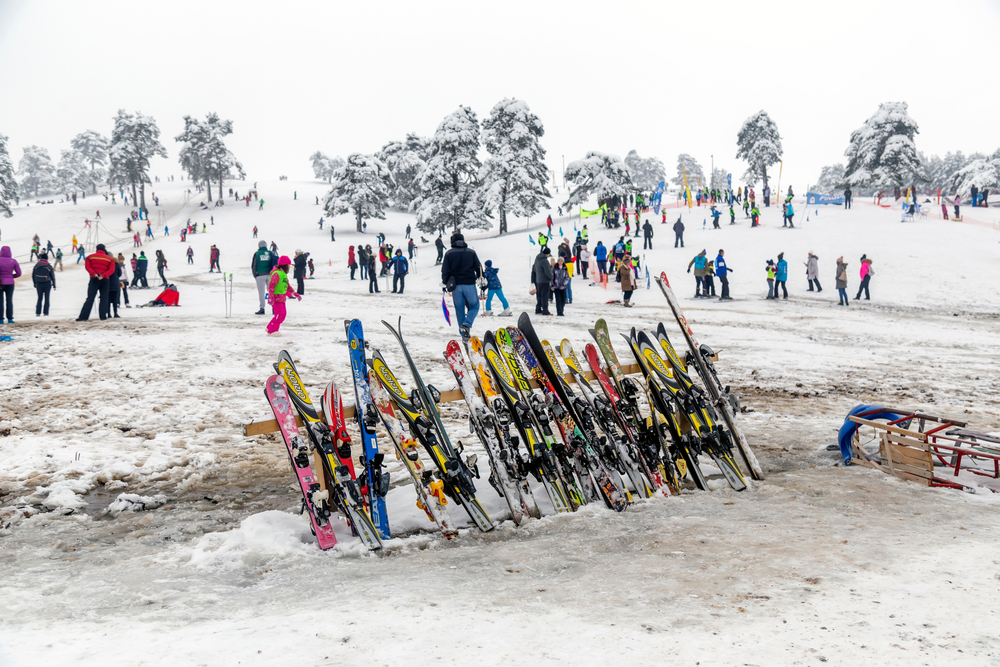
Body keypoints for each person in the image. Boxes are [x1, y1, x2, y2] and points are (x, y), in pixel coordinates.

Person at [441, 233, 482, 338]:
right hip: (469, 284)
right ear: (463, 240)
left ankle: (464, 335)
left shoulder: (449, 254)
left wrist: (445, 283)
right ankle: (467, 324)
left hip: (455, 286)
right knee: (475, 306)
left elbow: (445, 270)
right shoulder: (471, 252)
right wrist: (481, 278)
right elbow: (478, 267)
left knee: (459, 309)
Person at [77, 244, 116, 321]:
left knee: (90, 298)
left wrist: (94, 274)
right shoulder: (109, 259)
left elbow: (87, 267)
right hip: (105, 280)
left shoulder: (90, 257)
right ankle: (103, 316)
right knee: (104, 298)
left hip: (94, 279)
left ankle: (84, 316)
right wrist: (104, 275)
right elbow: (111, 270)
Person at [266, 256, 301, 336]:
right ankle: (272, 330)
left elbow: (287, 286)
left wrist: (294, 293)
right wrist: (271, 296)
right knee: (280, 314)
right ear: (285, 265)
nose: (289, 267)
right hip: (276, 297)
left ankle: (269, 327)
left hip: (282, 297)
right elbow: (272, 285)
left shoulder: (283, 274)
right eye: (289, 265)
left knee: (282, 313)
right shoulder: (277, 273)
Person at [251, 241, 273, 315]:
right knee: (272, 292)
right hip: (270, 274)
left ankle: (262, 308)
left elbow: (254, 265)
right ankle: (274, 307)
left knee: (261, 292)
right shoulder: (270, 253)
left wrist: (255, 275)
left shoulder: (257, 254)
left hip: (260, 275)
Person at [0, 246, 21, 323]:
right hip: (10, 283)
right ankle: (10, 319)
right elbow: (19, 273)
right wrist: (11, 276)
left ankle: (1, 319)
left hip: (0, 283)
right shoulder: (13, 261)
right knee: (9, 300)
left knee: (0, 301)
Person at [531, 247, 553, 316]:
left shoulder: (537, 259)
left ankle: (538, 309)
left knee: (539, 296)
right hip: (545, 281)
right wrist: (551, 277)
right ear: (547, 254)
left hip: (538, 280)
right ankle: (545, 310)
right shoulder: (545, 261)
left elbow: (534, 269)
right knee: (545, 296)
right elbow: (547, 272)